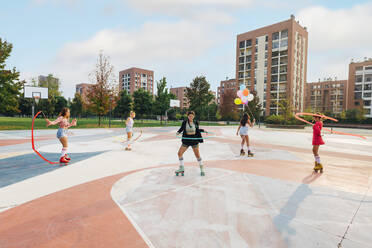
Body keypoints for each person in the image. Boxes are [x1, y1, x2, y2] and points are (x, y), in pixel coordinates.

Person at [175, 111, 207, 176]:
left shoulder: (196, 122)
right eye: (189, 116)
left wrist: (203, 130)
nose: (190, 117)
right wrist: (178, 132)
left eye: (192, 116)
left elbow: (197, 130)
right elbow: (181, 129)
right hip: (186, 140)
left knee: (197, 155)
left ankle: (202, 169)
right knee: (179, 153)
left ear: (194, 116)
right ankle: (182, 168)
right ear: (188, 116)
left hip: (194, 140)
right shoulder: (184, 122)